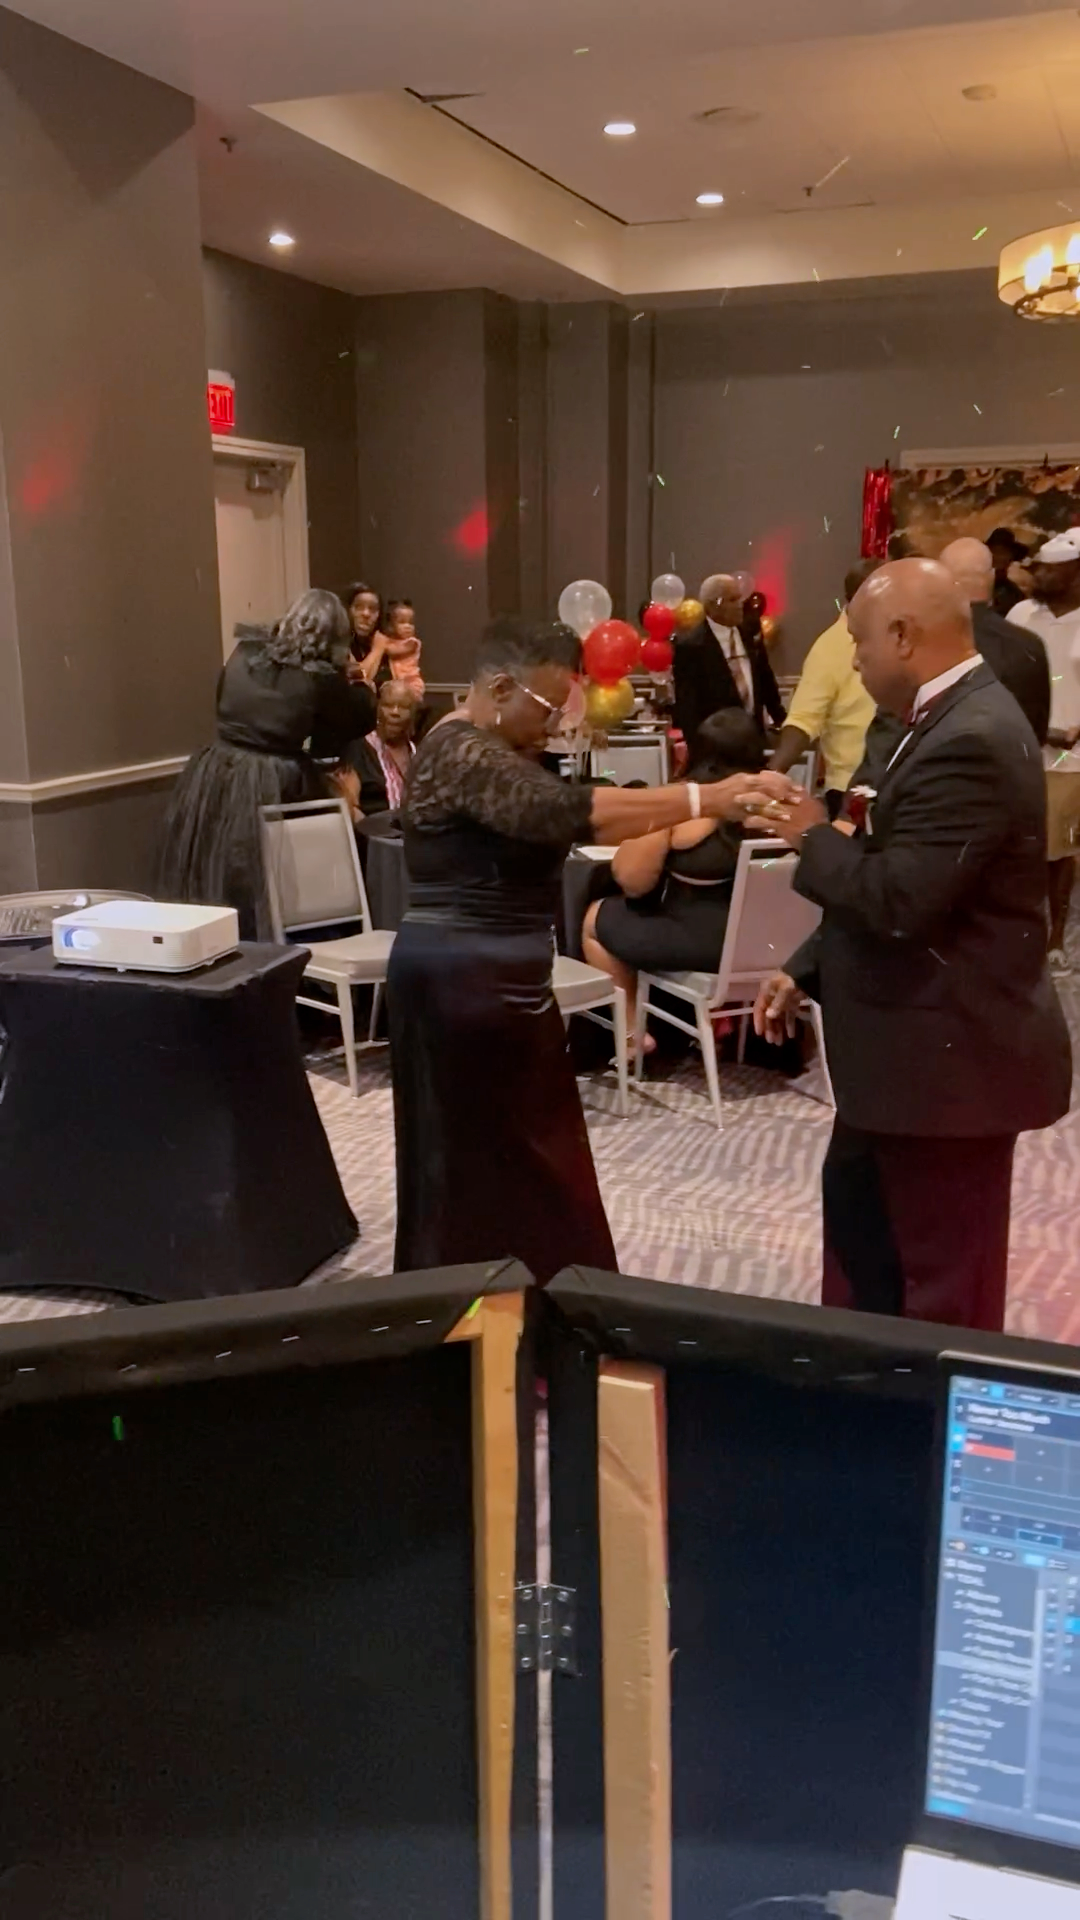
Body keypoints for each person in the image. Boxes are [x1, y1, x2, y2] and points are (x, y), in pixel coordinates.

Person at [389, 617, 791, 1284]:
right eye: (547, 707)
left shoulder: (487, 750)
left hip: (492, 979)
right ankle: (492, 1322)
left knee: (527, 1165)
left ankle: (531, 1316)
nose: (553, 724)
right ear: (496, 687)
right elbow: (564, 812)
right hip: (462, 982)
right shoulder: (457, 749)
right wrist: (706, 796)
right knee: (495, 1167)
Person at [752, 558, 1071, 1333]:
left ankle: (921, 1443)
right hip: (900, 1062)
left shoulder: (973, 737)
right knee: (867, 1263)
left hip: (949, 1071)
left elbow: (900, 900)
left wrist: (809, 834)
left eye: (860, 641)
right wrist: (808, 967)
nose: (853, 658)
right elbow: (888, 863)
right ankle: (866, 1416)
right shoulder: (927, 722)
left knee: (939, 1295)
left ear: (903, 635)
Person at [160, 590, 375, 940]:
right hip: (273, 779)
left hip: (214, 768)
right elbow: (357, 719)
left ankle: (214, 945)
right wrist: (361, 683)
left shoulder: (245, 650)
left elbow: (222, 699)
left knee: (214, 870)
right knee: (263, 880)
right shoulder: (320, 675)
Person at [581, 709, 767, 1049]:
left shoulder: (691, 809)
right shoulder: (782, 803)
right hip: (771, 948)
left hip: (706, 948)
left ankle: (632, 1035)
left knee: (596, 917)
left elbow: (632, 880)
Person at [1007, 531, 1080, 973]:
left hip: (1070, 758)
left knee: (1060, 851)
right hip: (1018, 748)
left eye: (1050, 570)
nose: (1039, 576)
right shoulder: (1021, 615)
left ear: (1075, 575)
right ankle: (1022, 932)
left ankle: (1055, 939)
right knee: (1021, 850)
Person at [770, 559, 883, 816]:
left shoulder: (895, 637)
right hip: (851, 791)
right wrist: (770, 777)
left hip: (896, 783)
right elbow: (802, 721)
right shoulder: (830, 648)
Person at [940, 537, 1050, 745]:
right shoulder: (1029, 646)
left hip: (934, 772)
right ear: (991, 577)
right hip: (1010, 771)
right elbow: (1036, 733)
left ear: (941, 579)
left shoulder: (919, 642)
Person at [673, 573, 785, 750]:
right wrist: (698, 752)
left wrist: (783, 723)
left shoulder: (750, 636)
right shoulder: (691, 646)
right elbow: (688, 707)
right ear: (712, 606)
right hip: (715, 749)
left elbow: (766, 684)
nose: (740, 605)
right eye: (732, 600)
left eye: (739, 598)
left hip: (755, 743)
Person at [346, 680, 418, 817]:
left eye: (403, 707)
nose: (395, 712)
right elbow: (350, 806)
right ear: (378, 709)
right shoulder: (357, 750)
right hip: (372, 831)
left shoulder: (418, 753)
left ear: (412, 713)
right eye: (388, 705)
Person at [343, 582, 390, 686]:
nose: (366, 614)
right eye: (359, 607)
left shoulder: (385, 642)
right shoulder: (339, 643)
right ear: (348, 610)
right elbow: (359, 681)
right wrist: (378, 650)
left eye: (372, 609)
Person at [383, 598, 425, 697]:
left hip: (411, 682)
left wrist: (380, 645)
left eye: (410, 623)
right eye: (402, 622)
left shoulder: (412, 643)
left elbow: (392, 651)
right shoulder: (391, 641)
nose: (408, 626)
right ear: (391, 626)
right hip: (397, 681)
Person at [987, 526, 1030, 618]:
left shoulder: (1015, 595)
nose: (998, 557)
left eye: (1003, 552)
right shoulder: (971, 587)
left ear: (1011, 557)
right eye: (994, 551)